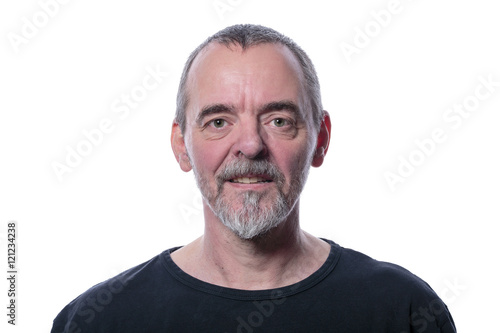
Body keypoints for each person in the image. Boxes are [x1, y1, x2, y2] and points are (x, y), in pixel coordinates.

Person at [51, 24, 456, 333]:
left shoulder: (403, 311)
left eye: (278, 120)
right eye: (218, 121)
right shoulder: (99, 321)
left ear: (320, 139)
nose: (249, 145)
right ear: (181, 144)